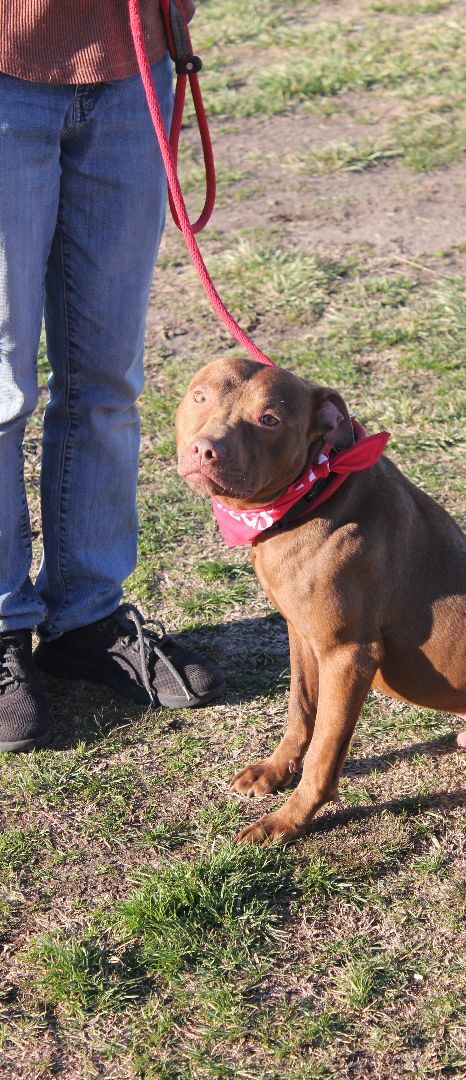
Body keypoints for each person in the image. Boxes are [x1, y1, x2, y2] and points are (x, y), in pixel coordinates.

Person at [0, 0, 224, 753]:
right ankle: (1, 625)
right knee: (0, 385)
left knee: (106, 376)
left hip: (133, 65)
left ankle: (87, 616)